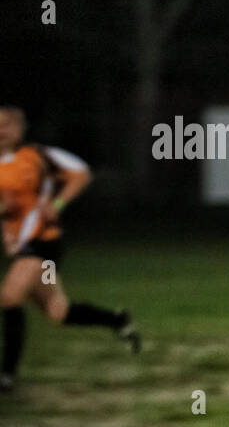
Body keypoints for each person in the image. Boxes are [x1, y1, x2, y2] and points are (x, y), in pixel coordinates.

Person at [0, 105, 139, 392]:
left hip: (44, 244)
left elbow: (81, 174)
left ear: (20, 129)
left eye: (8, 125)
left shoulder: (36, 156)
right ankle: (117, 320)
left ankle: (7, 375)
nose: (2, 131)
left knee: (10, 297)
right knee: (58, 312)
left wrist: (58, 203)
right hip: (24, 248)